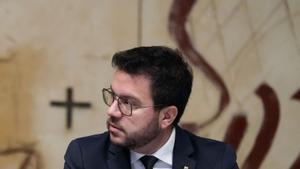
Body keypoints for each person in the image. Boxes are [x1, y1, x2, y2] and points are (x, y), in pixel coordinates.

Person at [64, 46, 239, 169]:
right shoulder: (85, 157)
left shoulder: (217, 161)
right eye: (113, 96)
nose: (111, 111)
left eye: (128, 103)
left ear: (167, 116)